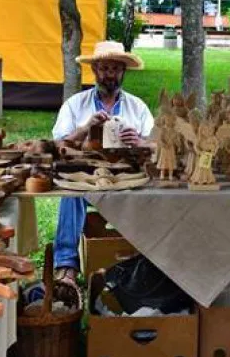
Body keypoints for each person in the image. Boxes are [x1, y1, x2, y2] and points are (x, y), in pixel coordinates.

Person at [52, 41, 154, 287]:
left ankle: (147, 261)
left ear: (123, 72)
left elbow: (156, 145)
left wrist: (139, 141)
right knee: (72, 192)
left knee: (156, 191)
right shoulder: (76, 104)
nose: (110, 74)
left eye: (115, 69)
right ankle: (65, 266)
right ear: (95, 70)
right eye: (105, 68)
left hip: (128, 180)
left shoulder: (136, 106)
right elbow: (59, 146)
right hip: (89, 178)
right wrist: (86, 128)